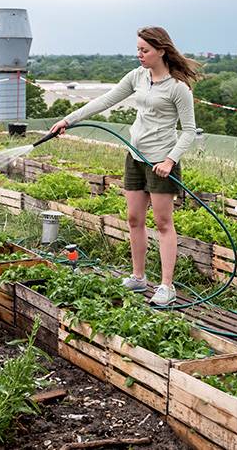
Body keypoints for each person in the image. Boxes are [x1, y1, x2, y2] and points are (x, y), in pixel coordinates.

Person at [48, 26, 200, 306]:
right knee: (133, 219)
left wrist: (170, 159)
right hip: (135, 157)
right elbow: (105, 100)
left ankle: (167, 286)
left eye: (145, 50)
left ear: (161, 51)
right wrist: (68, 120)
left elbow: (189, 131)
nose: (140, 55)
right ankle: (138, 277)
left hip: (161, 162)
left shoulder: (179, 88)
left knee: (163, 223)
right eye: (138, 50)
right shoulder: (137, 77)